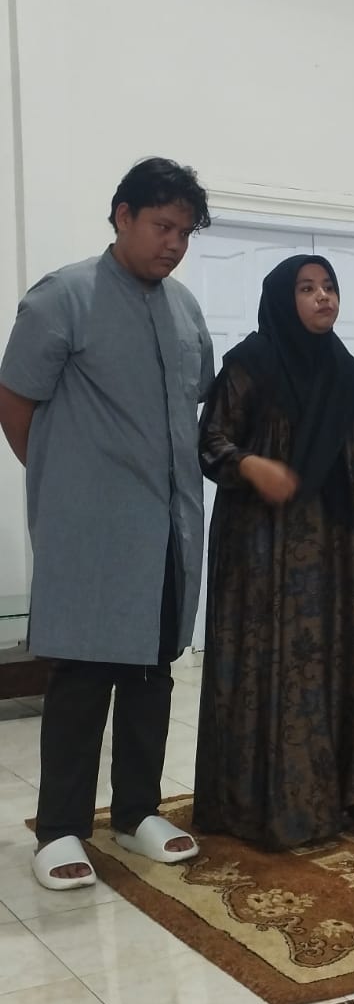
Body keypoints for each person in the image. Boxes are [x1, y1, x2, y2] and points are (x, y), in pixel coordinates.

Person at [0, 157, 215, 889]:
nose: (173, 243)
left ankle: (136, 812)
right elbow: (15, 401)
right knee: (83, 676)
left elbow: (194, 401)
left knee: (153, 671)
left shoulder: (185, 310)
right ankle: (60, 828)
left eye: (184, 232)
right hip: (91, 530)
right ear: (122, 216)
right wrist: (62, 484)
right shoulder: (63, 297)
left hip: (170, 527)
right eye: (162, 226)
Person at [193, 253, 354, 850]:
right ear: (283, 299)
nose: (323, 297)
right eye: (307, 288)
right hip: (264, 548)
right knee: (272, 663)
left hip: (334, 545)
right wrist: (253, 464)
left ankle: (339, 795)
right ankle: (263, 805)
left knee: (332, 658)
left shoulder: (344, 369)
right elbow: (210, 441)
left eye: (329, 287)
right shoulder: (250, 363)